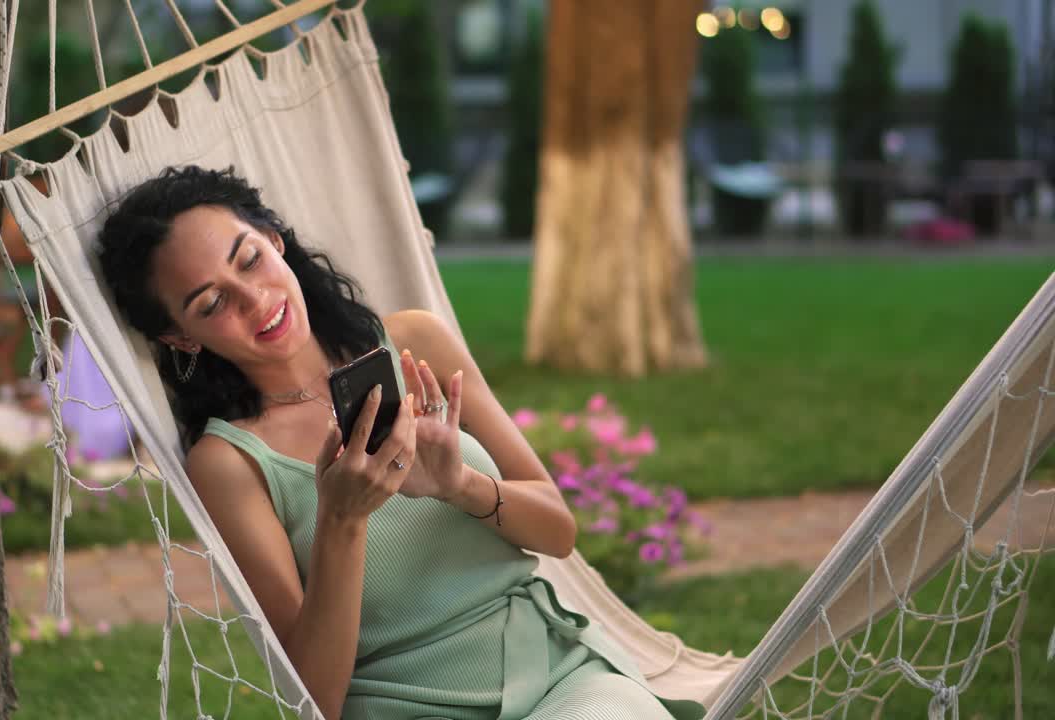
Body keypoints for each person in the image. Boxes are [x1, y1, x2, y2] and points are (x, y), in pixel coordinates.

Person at [97, 166, 704, 720]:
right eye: (212, 303)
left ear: (275, 240)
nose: (255, 300)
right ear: (181, 338)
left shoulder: (416, 346)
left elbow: (558, 533)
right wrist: (341, 520)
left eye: (250, 260)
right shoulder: (230, 463)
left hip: (558, 678)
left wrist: (460, 485)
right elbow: (316, 696)